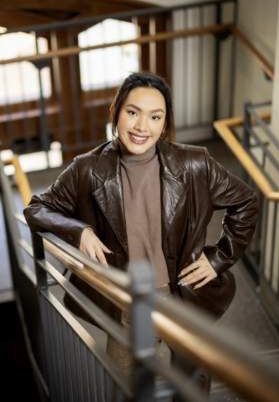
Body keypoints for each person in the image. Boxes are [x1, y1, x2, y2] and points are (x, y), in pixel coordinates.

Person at [23, 72, 259, 396]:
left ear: (164, 124)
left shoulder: (194, 164)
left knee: (192, 387)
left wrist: (218, 258)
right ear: (116, 111)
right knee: (122, 387)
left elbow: (246, 201)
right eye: (132, 112)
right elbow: (36, 208)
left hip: (184, 298)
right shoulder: (86, 169)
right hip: (129, 303)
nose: (141, 126)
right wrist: (80, 231)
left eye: (155, 116)